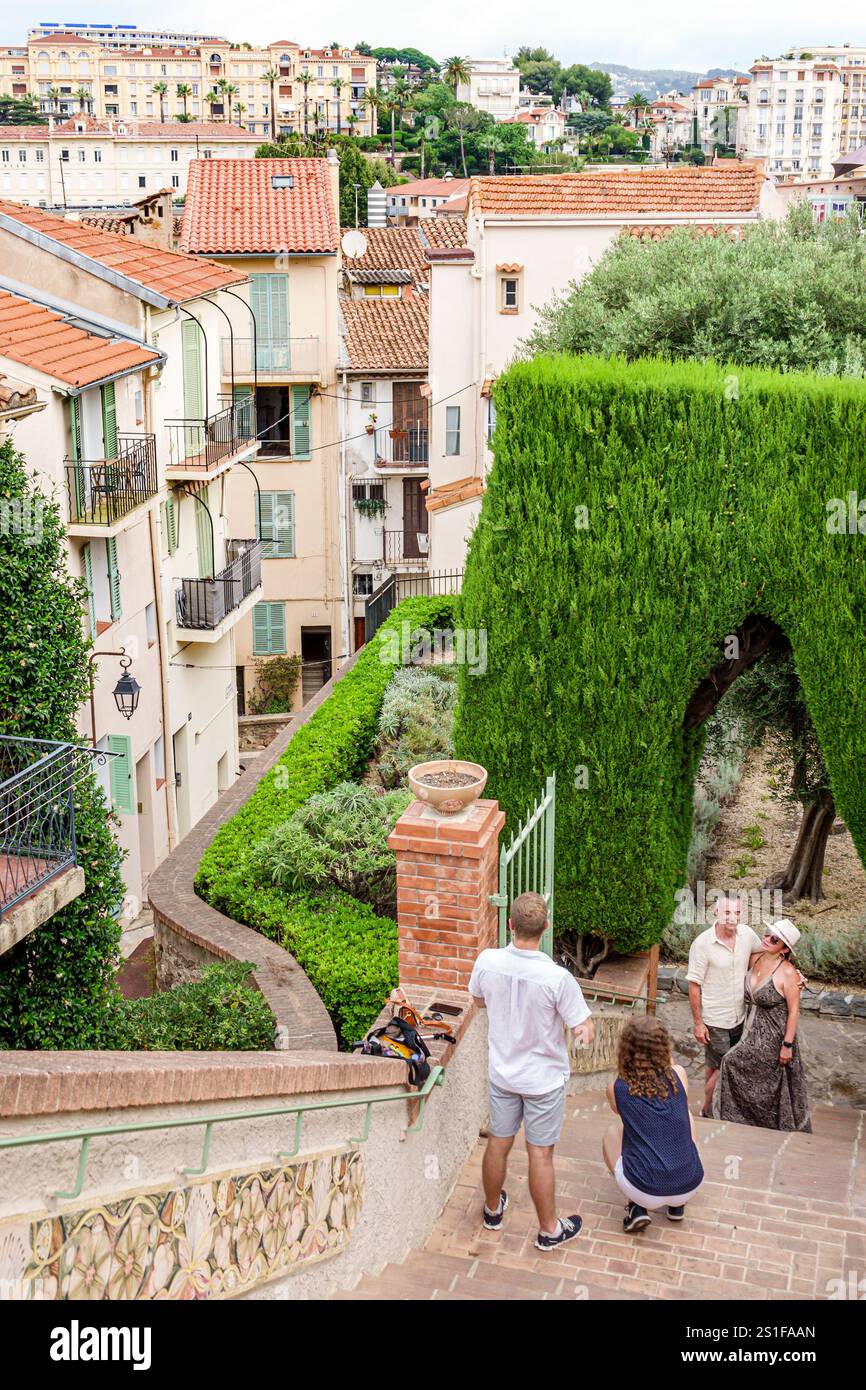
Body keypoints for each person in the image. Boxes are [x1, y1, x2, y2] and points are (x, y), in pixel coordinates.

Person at [469, 891, 595, 1251]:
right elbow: (582, 1027)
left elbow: (477, 1001)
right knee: (540, 1154)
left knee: (498, 1142)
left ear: (509, 924)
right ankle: (548, 1230)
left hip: (503, 1075)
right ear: (546, 927)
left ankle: (493, 1211)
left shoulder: (487, 961)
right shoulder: (557, 979)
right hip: (542, 1081)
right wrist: (584, 1031)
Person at [603, 1017, 704, 1232]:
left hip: (645, 1191)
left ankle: (635, 1206)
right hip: (690, 1183)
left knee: (615, 1131)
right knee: (685, 1114)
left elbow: (621, 1115)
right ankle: (677, 1205)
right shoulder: (679, 1074)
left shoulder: (617, 1087)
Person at [713, 919, 811, 1132]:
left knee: (732, 1062)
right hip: (750, 1030)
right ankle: (743, 1119)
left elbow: (794, 1011)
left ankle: (756, 1121)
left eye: (774, 939)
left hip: (775, 1034)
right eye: (767, 934)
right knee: (736, 1065)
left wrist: (787, 1045)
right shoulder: (755, 959)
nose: (767, 939)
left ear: (785, 949)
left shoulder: (788, 973)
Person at [686, 893, 763, 1118]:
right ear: (716, 912)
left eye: (737, 912)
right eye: (727, 912)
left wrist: (789, 972)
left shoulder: (747, 935)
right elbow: (693, 986)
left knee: (712, 1066)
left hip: (739, 1017)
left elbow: (762, 953)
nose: (733, 918)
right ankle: (707, 1110)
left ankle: (712, 1104)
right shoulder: (702, 944)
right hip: (715, 1019)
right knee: (724, 1068)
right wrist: (699, 1023)